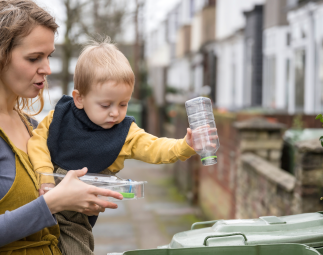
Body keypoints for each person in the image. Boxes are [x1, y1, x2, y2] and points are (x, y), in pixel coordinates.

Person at [0, 1, 122, 255]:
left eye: (48, 56)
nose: (47, 69)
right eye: (34, 58)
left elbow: (49, 223)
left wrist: (79, 201)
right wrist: (53, 202)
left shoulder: (31, 126)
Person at [27, 38, 198, 255]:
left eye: (123, 104)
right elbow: (37, 142)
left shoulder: (125, 132)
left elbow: (156, 148)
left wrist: (185, 145)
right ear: (79, 98)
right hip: (42, 195)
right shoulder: (59, 116)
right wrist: (45, 178)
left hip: (75, 216)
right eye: (105, 105)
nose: (115, 113)